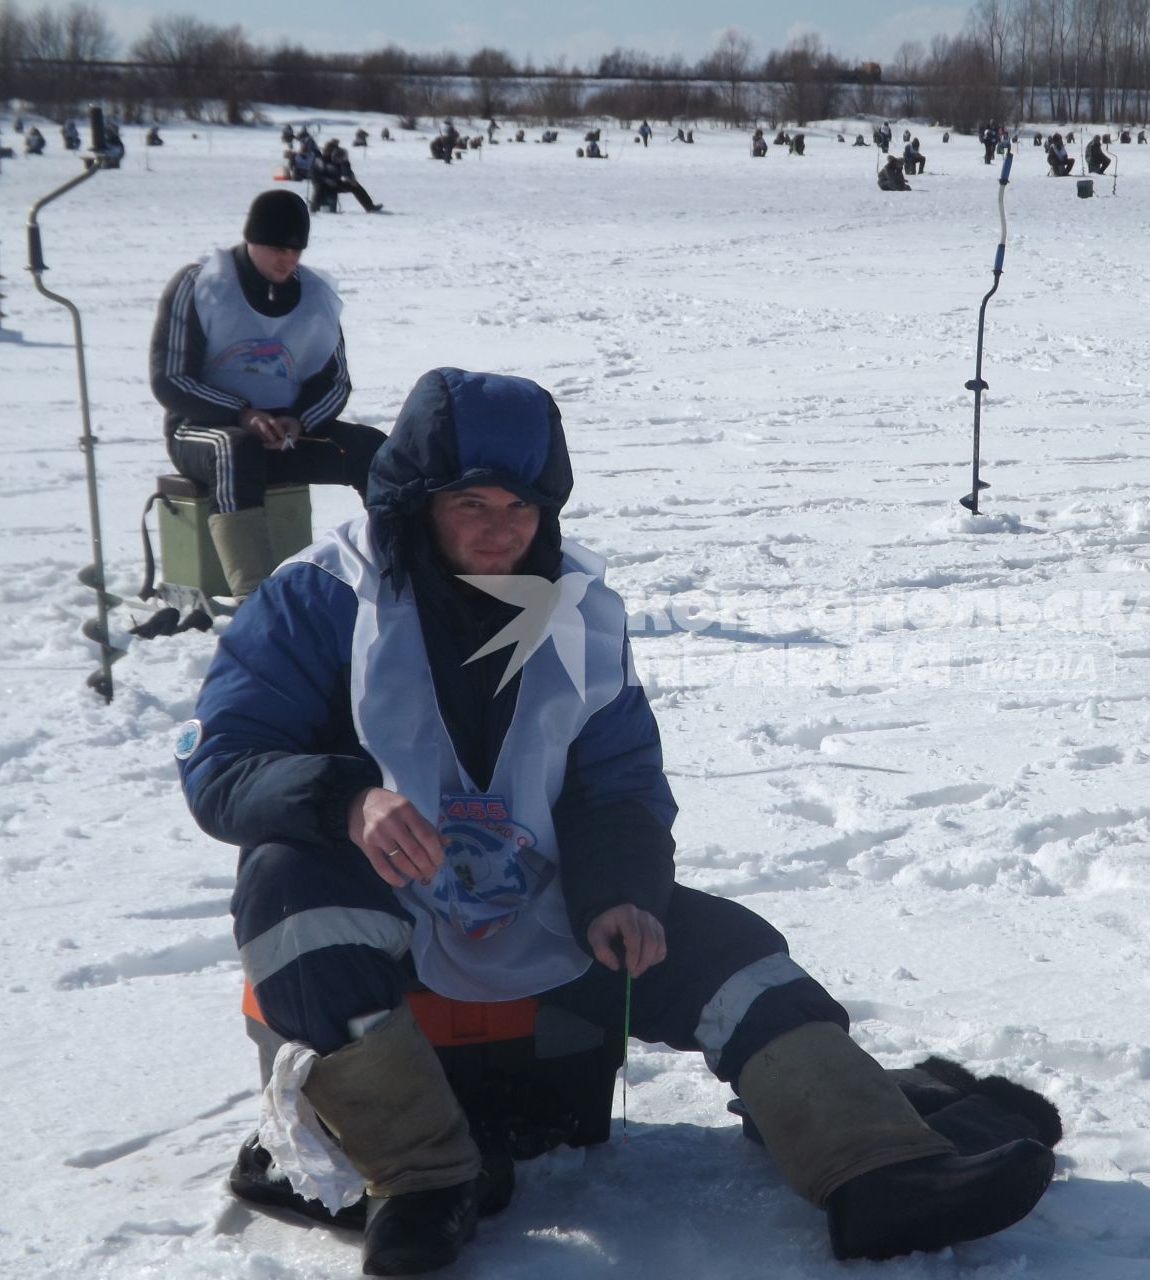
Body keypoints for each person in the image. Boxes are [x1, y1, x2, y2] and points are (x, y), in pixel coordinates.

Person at [178, 367, 1056, 1275]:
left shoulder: (579, 610)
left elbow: (620, 787)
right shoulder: (320, 597)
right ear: (413, 502)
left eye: (519, 506)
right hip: (380, 904)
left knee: (732, 952)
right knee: (287, 894)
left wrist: (620, 893)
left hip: (535, 891)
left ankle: (876, 1169)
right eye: (468, 502)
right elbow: (223, 760)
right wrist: (347, 800)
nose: (497, 529)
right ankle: (422, 1179)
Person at [148, 191, 385, 601]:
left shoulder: (315, 298)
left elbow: (336, 382)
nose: (288, 259)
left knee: (371, 449)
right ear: (252, 241)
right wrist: (241, 415)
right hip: (202, 431)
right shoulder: (201, 286)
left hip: (286, 431)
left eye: (296, 250)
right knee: (235, 450)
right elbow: (170, 379)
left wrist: (300, 420)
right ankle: (255, 598)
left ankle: (398, 561)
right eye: (278, 248)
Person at [312, 138, 383, 213]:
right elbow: (315, 175)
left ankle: (370, 207)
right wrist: (326, 180)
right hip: (322, 184)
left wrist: (352, 179)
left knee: (356, 187)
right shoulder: (321, 160)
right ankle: (313, 208)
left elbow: (348, 173)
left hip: (336, 183)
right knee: (319, 188)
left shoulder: (343, 160)